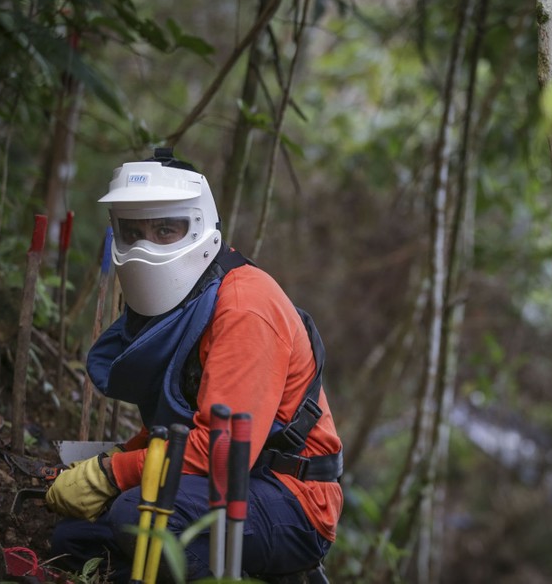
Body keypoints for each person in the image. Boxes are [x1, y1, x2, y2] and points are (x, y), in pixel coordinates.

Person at [46, 148, 343, 582]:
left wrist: (110, 474)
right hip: (224, 481)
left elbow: (222, 451)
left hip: (292, 499)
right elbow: (182, 423)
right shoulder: (195, 299)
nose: (147, 246)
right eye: (134, 231)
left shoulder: (244, 307)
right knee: (73, 537)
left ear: (200, 225)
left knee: (139, 512)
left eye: (165, 229)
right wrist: (116, 458)